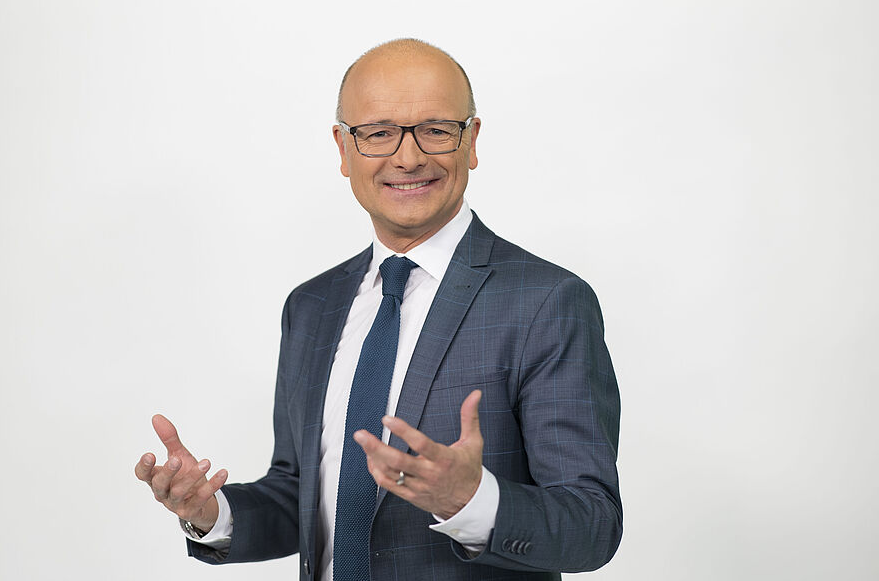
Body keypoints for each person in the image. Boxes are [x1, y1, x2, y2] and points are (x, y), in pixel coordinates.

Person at [135, 38, 622, 581]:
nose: (408, 157)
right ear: (344, 149)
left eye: (436, 129)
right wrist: (211, 512)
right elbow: (303, 493)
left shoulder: (547, 301)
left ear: (472, 141)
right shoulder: (311, 306)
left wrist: (472, 500)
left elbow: (593, 525)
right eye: (378, 133)